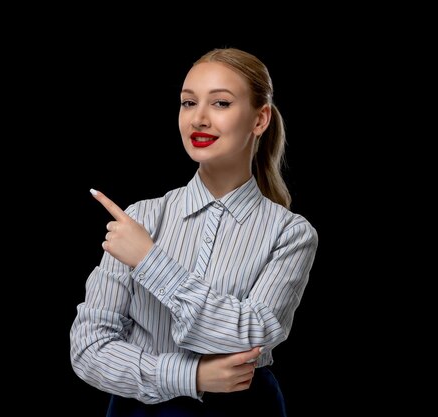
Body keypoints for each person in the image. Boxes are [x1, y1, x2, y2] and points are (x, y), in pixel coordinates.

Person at [70, 47, 318, 417]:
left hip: (245, 410)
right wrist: (192, 375)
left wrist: (150, 261)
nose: (198, 119)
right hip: (138, 412)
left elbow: (251, 334)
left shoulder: (290, 233)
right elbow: (88, 349)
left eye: (220, 103)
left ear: (260, 119)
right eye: (188, 103)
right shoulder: (141, 218)